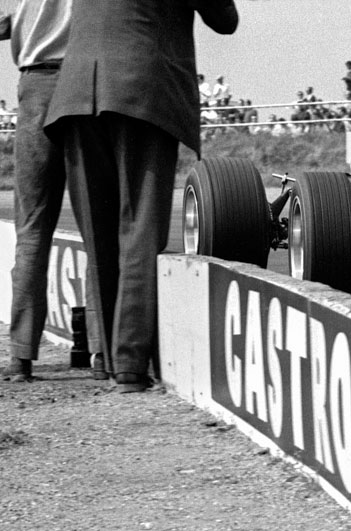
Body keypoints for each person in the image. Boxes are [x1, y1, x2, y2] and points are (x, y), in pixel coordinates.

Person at [43, 0, 239, 393]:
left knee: (98, 239)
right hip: (142, 88)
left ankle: (110, 358)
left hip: (76, 93)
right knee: (140, 231)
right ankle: (131, 364)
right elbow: (225, 20)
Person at [0, 0, 73, 382]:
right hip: (86, 82)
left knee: (31, 229)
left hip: (36, 83)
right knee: (99, 227)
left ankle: (21, 355)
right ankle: (102, 354)